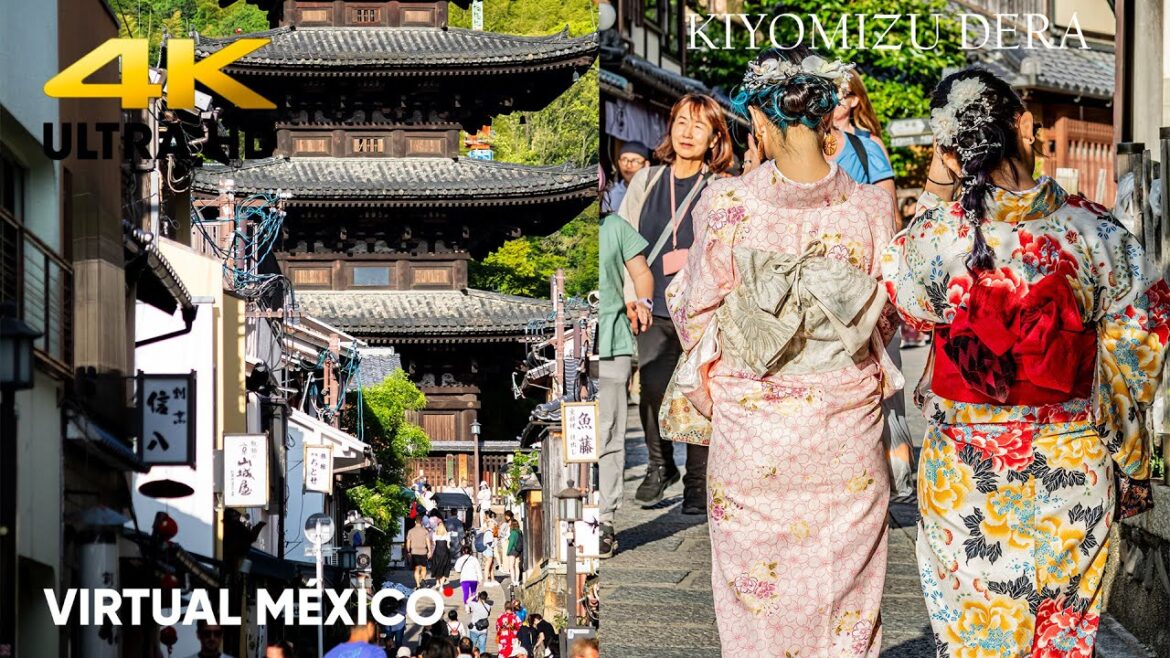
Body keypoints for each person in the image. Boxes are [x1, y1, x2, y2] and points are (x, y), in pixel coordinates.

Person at [883, 68, 1170, 657]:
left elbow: (909, 307)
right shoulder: (1093, 231)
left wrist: (940, 189)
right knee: (1060, 633)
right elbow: (1140, 340)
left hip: (968, 467)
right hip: (1068, 459)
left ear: (952, 148)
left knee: (974, 631)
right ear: (1022, 125)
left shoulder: (935, 238)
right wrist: (1127, 448)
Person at [666, 47, 897, 655]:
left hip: (753, 426)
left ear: (760, 124)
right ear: (828, 121)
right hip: (845, 423)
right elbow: (888, 316)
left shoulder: (726, 202)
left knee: (753, 590)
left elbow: (695, 310)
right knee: (845, 590)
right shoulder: (872, 205)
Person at [618, 92, 735, 513]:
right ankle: (659, 463)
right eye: (682, 122)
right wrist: (633, 297)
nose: (688, 133)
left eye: (699, 126)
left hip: (703, 311)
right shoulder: (645, 181)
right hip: (654, 306)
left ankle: (698, 484)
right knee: (650, 389)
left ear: (715, 137)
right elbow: (625, 242)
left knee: (701, 394)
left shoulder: (721, 187)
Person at [598, 208, 654, 556]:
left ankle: (605, 520)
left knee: (610, 433)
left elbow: (642, 272)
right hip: (577, 347)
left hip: (614, 343)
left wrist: (644, 301)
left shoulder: (615, 225)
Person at [603, 141, 651, 212]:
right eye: (624, 160)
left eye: (635, 161)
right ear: (619, 163)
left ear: (646, 165)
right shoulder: (609, 194)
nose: (628, 165)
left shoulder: (655, 193)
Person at [405, 516, 434, 589]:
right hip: (423, 552)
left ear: (415, 522)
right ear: (421, 522)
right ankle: (423, 581)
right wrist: (430, 551)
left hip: (414, 552)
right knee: (424, 568)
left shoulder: (410, 531)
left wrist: (408, 551)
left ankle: (418, 584)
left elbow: (408, 542)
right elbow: (428, 542)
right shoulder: (425, 531)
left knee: (416, 568)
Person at [430, 514, 454, 589]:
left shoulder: (434, 534)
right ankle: (441, 586)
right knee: (444, 568)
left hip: (437, 553)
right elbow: (448, 545)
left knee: (437, 567)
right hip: (445, 553)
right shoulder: (447, 534)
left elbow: (434, 543)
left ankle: (437, 583)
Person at [480, 510, 498, 584]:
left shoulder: (489, 531)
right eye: (493, 524)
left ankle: (493, 579)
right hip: (489, 549)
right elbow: (490, 543)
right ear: (490, 524)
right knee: (488, 565)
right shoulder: (489, 532)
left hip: (490, 550)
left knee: (491, 565)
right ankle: (486, 580)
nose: (494, 525)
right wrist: (495, 541)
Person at [505, 519, 523, 585]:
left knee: (511, 566)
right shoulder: (519, 532)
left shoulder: (513, 533)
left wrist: (507, 552)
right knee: (517, 566)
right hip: (518, 551)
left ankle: (513, 581)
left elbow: (511, 543)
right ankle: (517, 581)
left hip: (513, 550)